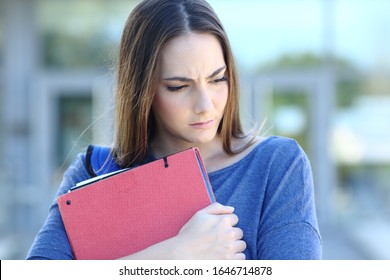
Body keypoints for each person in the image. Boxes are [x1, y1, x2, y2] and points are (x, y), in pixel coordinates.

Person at [27, 0, 322, 260]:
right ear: (143, 91)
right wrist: (175, 255)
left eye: (217, 79)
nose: (206, 105)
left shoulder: (277, 166)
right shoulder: (94, 172)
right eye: (179, 86)